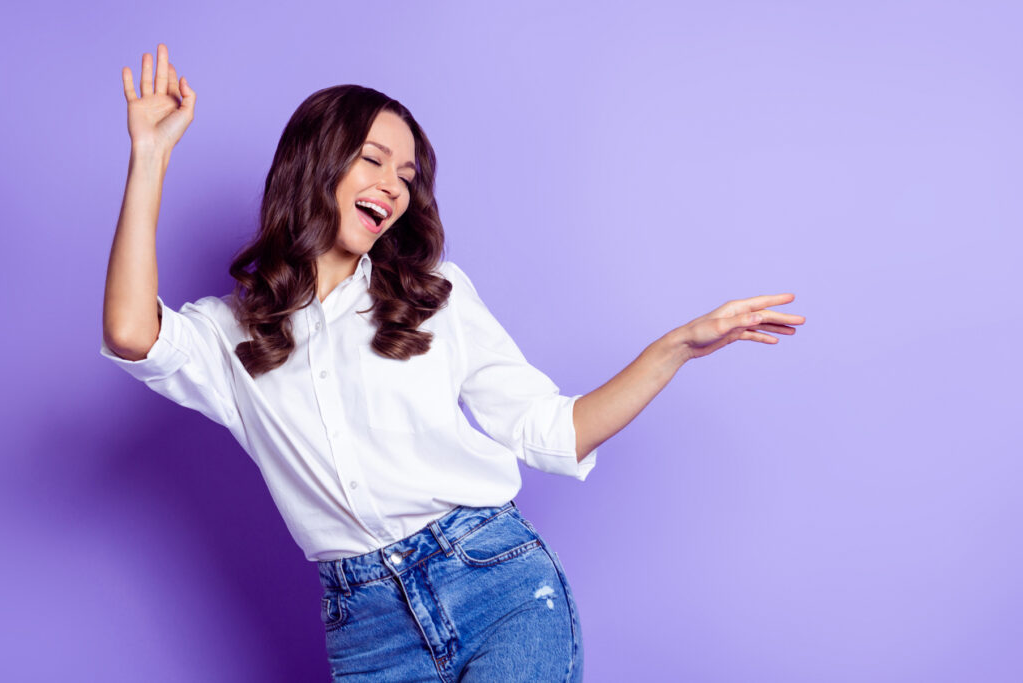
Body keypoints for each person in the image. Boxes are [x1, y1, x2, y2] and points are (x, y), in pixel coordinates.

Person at [101, 44, 806, 682]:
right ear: (315, 163)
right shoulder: (235, 332)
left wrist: (675, 348)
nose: (393, 186)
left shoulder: (434, 296)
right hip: (367, 631)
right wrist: (150, 156)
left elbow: (552, 430)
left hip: (496, 586)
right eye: (373, 159)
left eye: (406, 175)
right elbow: (132, 333)